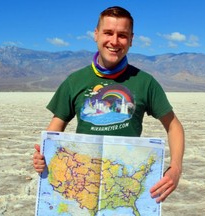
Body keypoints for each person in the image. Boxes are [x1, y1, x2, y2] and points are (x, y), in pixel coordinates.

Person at [33, 6, 184, 203]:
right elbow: (56, 127)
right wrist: (44, 155)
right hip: (83, 181)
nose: (114, 41)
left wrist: (176, 168)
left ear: (131, 40)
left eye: (122, 35)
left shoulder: (145, 82)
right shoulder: (75, 81)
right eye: (108, 33)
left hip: (124, 183)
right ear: (96, 35)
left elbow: (174, 126)